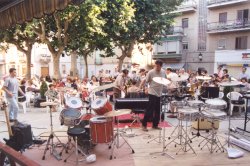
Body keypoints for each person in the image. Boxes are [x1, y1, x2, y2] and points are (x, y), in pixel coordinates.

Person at [139, 59, 166, 131]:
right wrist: (145, 89)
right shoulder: (151, 72)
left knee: (158, 110)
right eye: (156, 66)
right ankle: (144, 125)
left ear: (161, 66)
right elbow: (145, 81)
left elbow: (165, 80)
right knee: (149, 110)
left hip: (159, 93)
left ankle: (155, 125)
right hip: (152, 93)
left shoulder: (163, 72)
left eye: (159, 66)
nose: (157, 67)